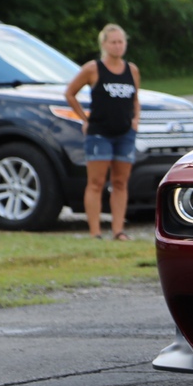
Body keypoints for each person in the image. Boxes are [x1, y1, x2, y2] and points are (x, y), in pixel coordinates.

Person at [64, 23, 140, 241]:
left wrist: (136, 119)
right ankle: (95, 232)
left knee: (120, 182)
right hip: (100, 133)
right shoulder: (93, 69)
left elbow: (136, 99)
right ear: (104, 44)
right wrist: (84, 118)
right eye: (113, 42)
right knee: (96, 182)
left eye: (121, 42)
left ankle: (118, 230)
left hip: (125, 133)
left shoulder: (132, 70)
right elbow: (70, 94)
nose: (118, 46)